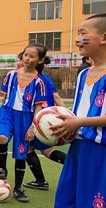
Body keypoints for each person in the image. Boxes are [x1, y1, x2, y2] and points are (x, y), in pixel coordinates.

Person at [43, 13, 106, 208]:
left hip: (103, 151)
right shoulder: (84, 73)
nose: (77, 39)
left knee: (102, 205)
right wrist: (59, 117)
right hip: (79, 147)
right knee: (66, 199)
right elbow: (80, 111)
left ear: (105, 38)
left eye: (83, 33)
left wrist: (78, 121)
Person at [0, 43, 49, 203]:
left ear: (40, 60)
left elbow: (38, 106)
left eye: (32, 56)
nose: (27, 58)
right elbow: (5, 96)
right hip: (7, 112)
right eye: (25, 55)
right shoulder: (11, 75)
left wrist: (32, 127)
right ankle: (2, 168)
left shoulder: (39, 82)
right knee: (2, 138)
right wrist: (3, 109)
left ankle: (18, 188)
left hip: (26, 118)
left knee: (21, 154)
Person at [15, 51, 67, 191]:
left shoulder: (38, 80)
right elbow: (56, 97)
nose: (18, 63)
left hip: (38, 120)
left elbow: (55, 98)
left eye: (18, 60)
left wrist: (68, 116)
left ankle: (42, 180)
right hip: (44, 119)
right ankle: (41, 180)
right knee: (45, 150)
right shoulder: (45, 79)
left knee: (30, 150)